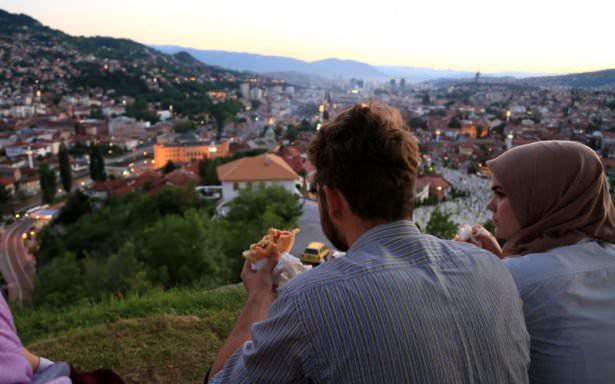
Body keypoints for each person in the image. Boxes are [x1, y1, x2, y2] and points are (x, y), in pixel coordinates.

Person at [207, 102, 530, 383]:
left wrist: (259, 295)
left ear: (332, 201)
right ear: (408, 190)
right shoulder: (493, 269)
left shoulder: (311, 301)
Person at [458, 140, 615, 383]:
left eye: (501, 194)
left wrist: (474, 269)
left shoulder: (517, 277)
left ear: (543, 197)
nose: (490, 205)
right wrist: (502, 263)